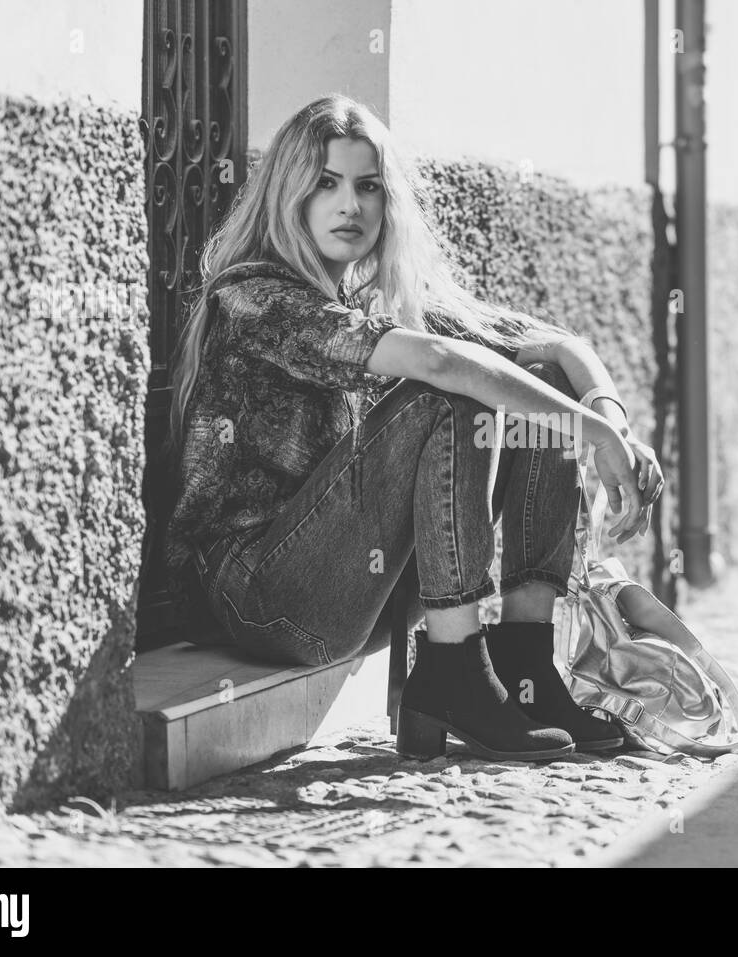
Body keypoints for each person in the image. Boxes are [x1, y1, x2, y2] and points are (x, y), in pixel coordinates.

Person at [161, 93, 665, 762]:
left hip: (348, 586)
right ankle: (454, 666)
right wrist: (595, 438)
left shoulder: (367, 302)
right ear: (289, 194)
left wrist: (606, 415)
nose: (351, 205)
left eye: (368, 187)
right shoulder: (256, 297)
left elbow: (557, 348)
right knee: (447, 396)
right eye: (327, 184)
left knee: (533, 392)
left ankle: (524, 666)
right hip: (259, 595)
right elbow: (437, 363)